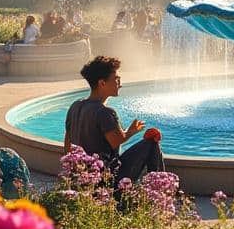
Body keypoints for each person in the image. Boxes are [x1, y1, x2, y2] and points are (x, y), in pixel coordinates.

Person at [63, 56, 164, 184]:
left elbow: (67, 145)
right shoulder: (105, 112)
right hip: (106, 178)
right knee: (152, 142)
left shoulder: (75, 106)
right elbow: (116, 140)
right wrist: (132, 131)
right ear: (102, 83)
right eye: (116, 79)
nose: (120, 84)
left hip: (81, 176)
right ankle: (158, 188)